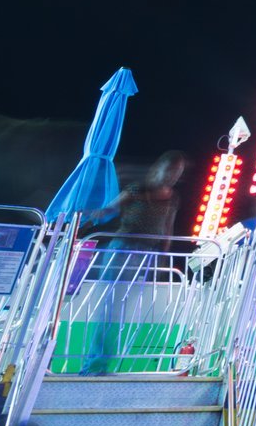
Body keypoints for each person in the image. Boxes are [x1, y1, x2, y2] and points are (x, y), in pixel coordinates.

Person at [80, 152, 187, 375]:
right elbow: (108, 210)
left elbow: (168, 230)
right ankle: (94, 365)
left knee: (128, 310)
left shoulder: (173, 197)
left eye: (178, 173)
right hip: (123, 249)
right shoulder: (138, 189)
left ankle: (108, 363)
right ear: (159, 169)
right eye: (171, 171)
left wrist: (163, 261)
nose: (173, 177)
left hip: (148, 254)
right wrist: (85, 219)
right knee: (111, 308)